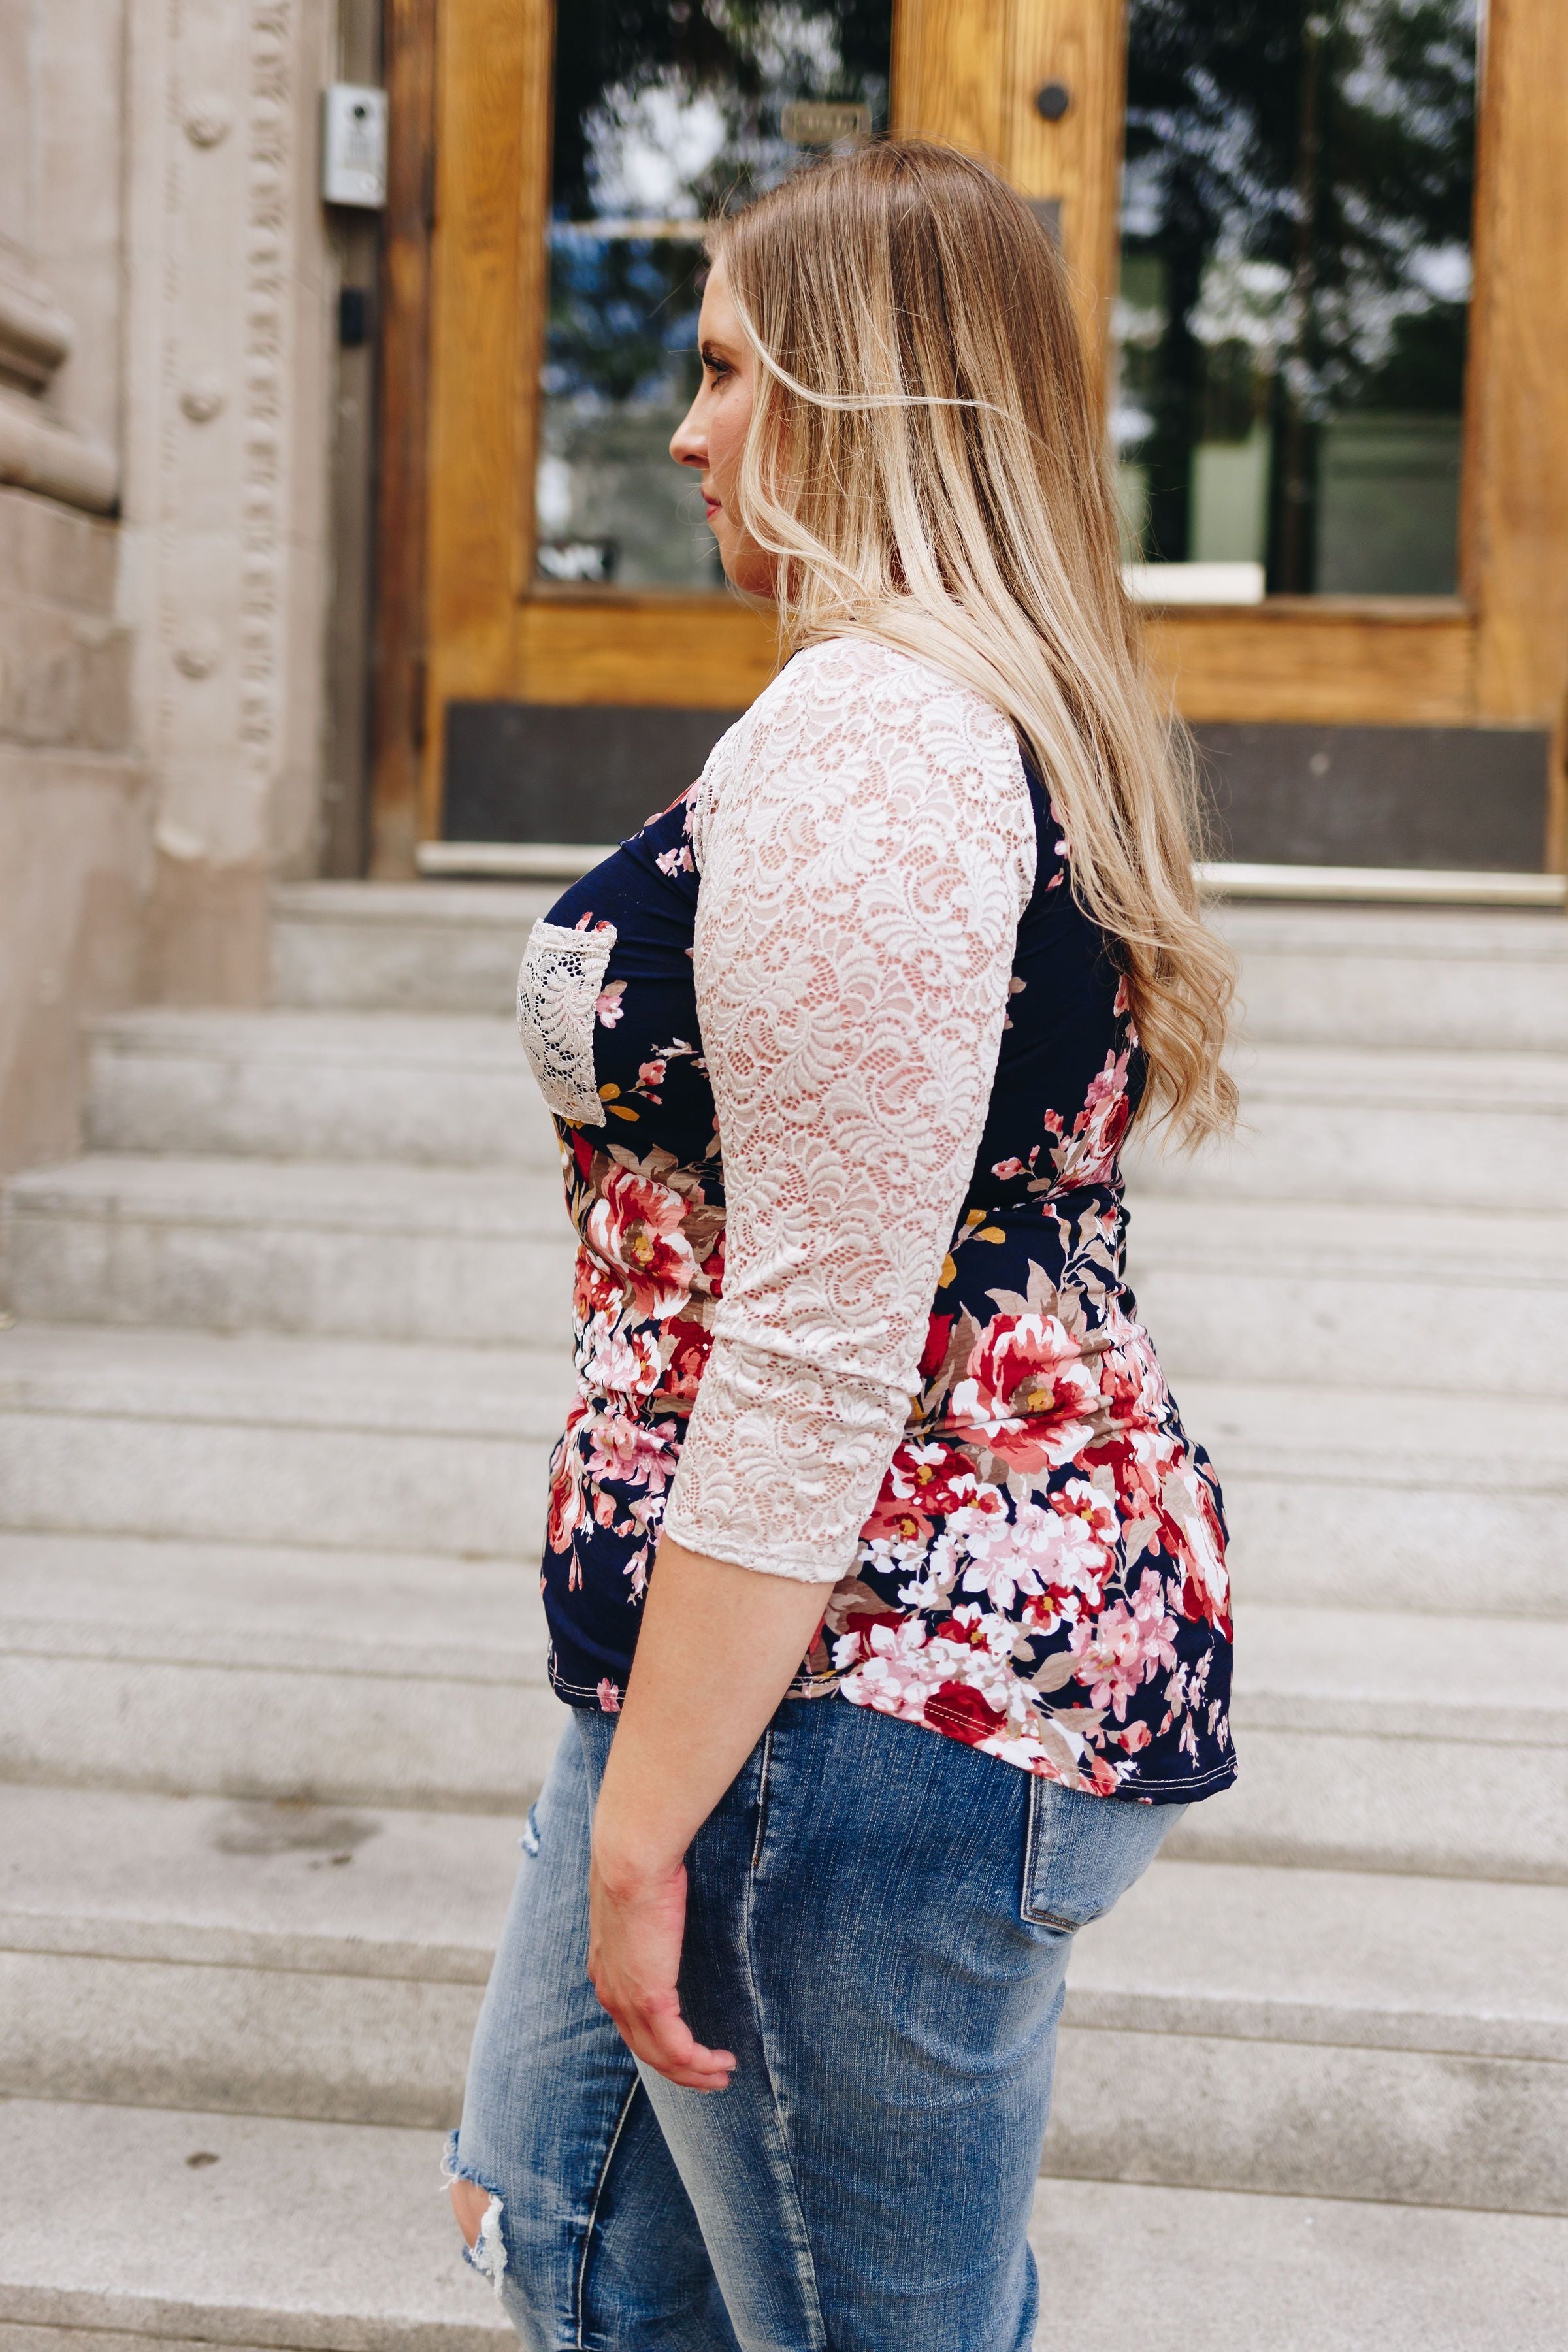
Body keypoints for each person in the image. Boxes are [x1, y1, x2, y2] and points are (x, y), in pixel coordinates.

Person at [446, 137, 1238, 2352]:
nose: (684, 429)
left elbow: (815, 1352)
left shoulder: (883, 743)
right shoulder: (927, 711)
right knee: (573, 2244)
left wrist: (646, 1827)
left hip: (854, 1684)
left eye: (725, 369)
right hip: (775, 1649)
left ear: (871, 396)